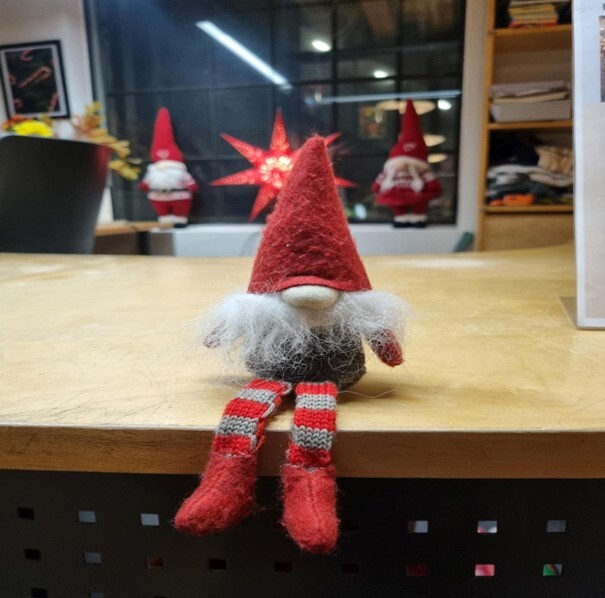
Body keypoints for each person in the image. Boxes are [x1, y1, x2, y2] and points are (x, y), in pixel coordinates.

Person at [174, 136, 408, 553]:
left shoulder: (352, 309)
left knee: (312, 432)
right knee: (240, 419)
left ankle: (310, 485)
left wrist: (388, 348)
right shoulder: (261, 309)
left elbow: (379, 329)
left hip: (327, 381)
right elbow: (223, 327)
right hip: (271, 375)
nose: (308, 294)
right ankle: (225, 482)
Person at [139, 108, 198, 225]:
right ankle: (165, 222)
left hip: (179, 196)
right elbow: (146, 182)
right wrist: (144, 185)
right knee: (163, 215)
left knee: (180, 212)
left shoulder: (178, 171)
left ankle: (179, 221)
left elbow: (189, 181)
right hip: (158, 196)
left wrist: (192, 186)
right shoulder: (153, 171)